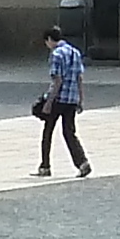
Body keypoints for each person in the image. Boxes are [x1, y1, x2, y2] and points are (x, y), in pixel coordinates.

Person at [32, 22, 93, 176]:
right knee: (69, 132)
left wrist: (48, 102)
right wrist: (80, 99)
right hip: (72, 99)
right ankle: (82, 162)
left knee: (48, 132)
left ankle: (45, 166)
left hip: (59, 99)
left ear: (49, 39)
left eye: (47, 42)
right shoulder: (75, 52)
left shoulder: (56, 54)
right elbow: (80, 77)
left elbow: (57, 80)